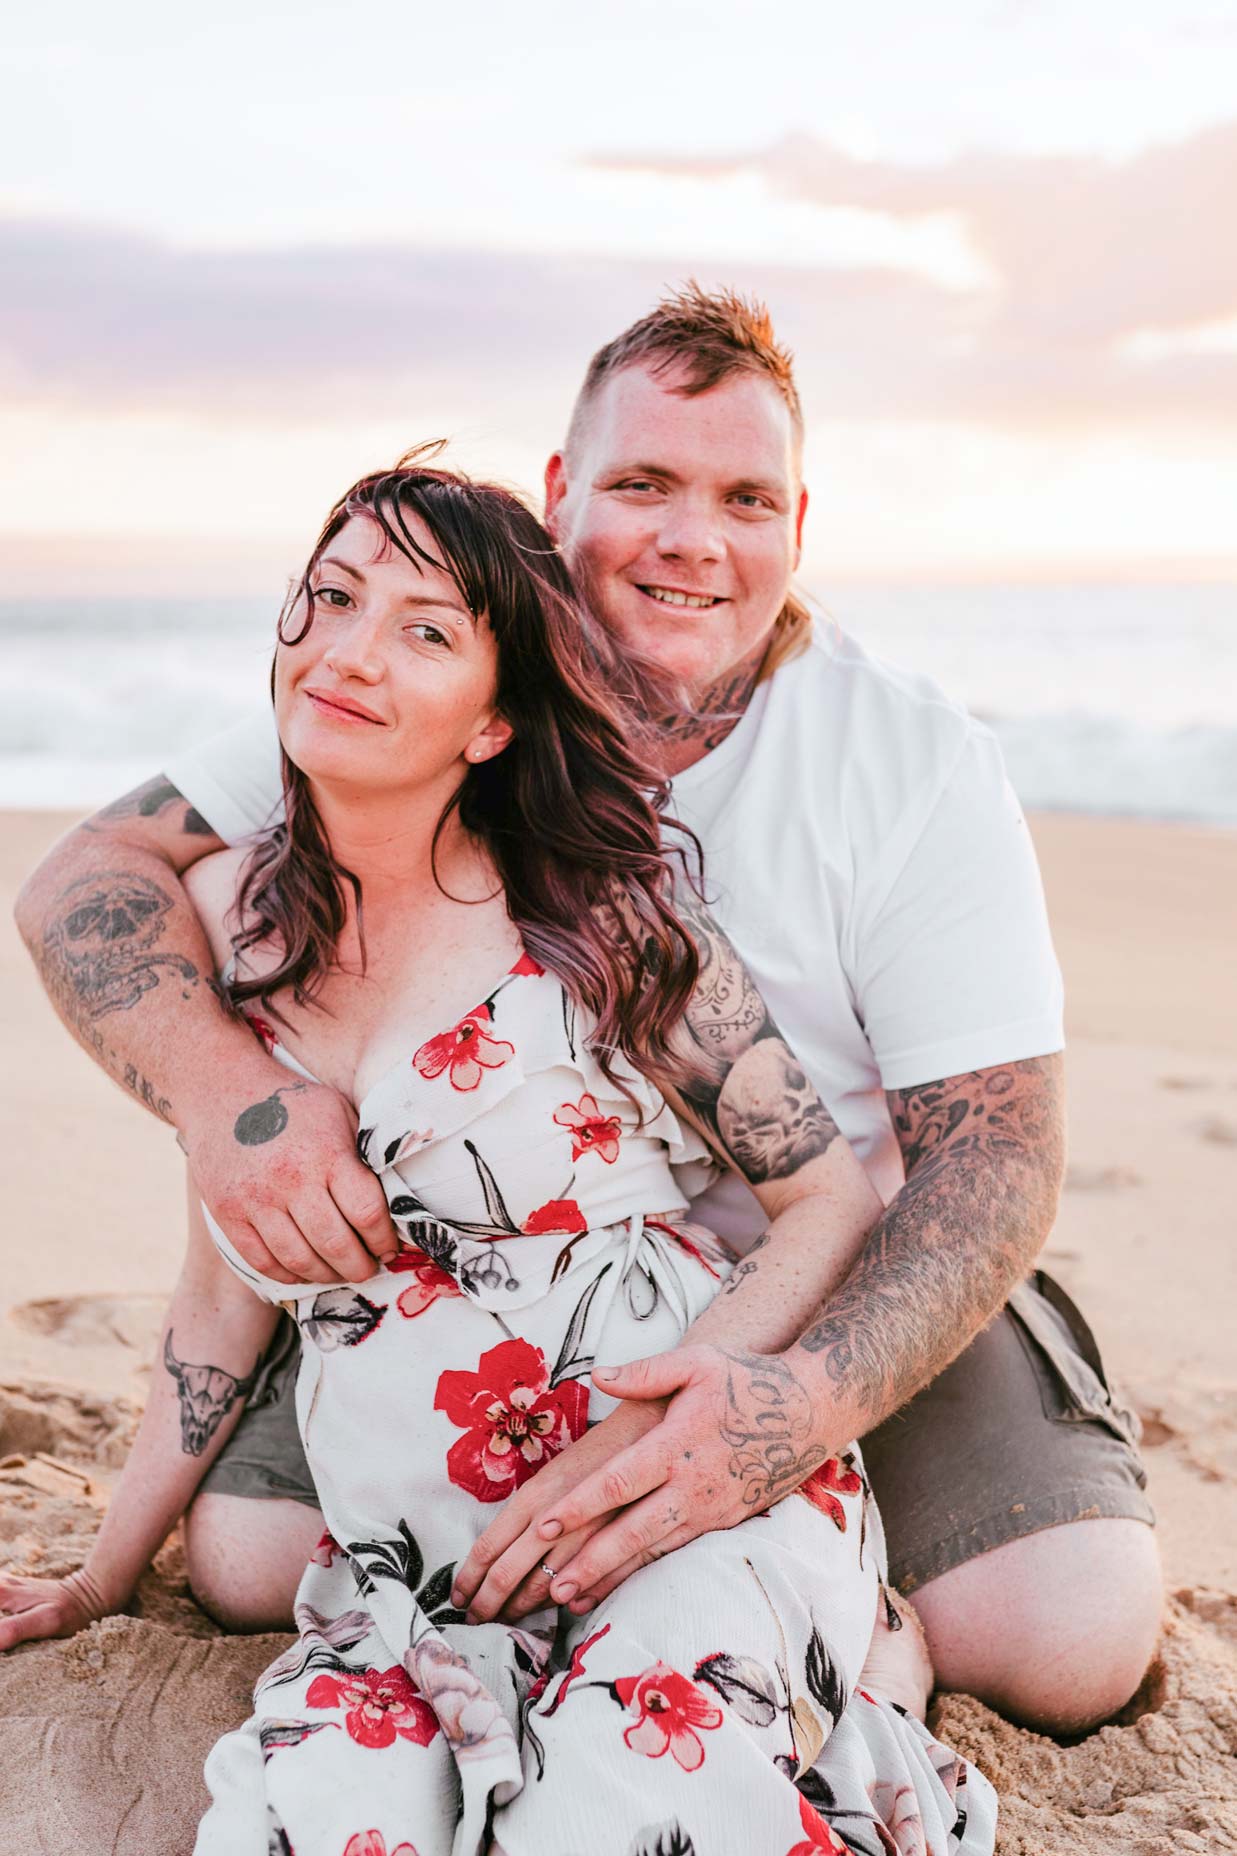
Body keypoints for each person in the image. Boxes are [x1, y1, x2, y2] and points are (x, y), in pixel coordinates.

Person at [12, 287, 1160, 1736]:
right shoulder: (425, 674)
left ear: (797, 525)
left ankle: (866, 1605)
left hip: (842, 1266)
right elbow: (88, 879)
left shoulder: (908, 762)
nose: (692, 539)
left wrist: (779, 1412)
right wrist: (239, 1106)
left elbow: (993, 1162)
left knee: (1061, 1646)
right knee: (250, 1573)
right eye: (643, 484)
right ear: (561, 498)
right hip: (485, 1262)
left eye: (745, 497)